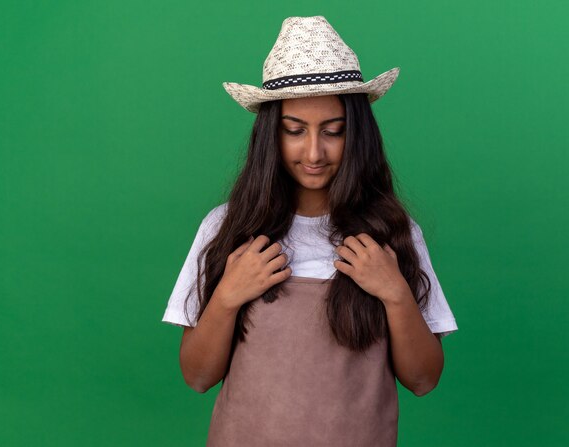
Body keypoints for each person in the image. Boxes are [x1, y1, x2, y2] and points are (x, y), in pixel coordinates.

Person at [161, 15, 458, 447]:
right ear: (269, 135)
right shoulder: (226, 228)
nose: (314, 152)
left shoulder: (393, 233)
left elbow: (423, 378)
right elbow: (198, 376)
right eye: (294, 131)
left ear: (357, 135)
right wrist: (227, 296)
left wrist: (394, 291)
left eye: (333, 131)